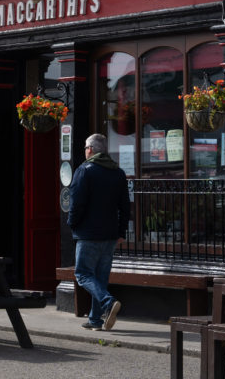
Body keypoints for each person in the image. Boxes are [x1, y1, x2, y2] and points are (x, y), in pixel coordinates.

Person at [67, 133, 130, 331]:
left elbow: (76, 203)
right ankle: (95, 319)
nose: (85, 151)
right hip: (110, 234)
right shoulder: (117, 172)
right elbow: (125, 206)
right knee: (100, 277)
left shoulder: (85, 171)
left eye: (86, 148)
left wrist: (72, 223)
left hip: (89, 234)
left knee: (83, 274)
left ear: (91, 150)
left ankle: (108, 302)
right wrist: (121, 231)